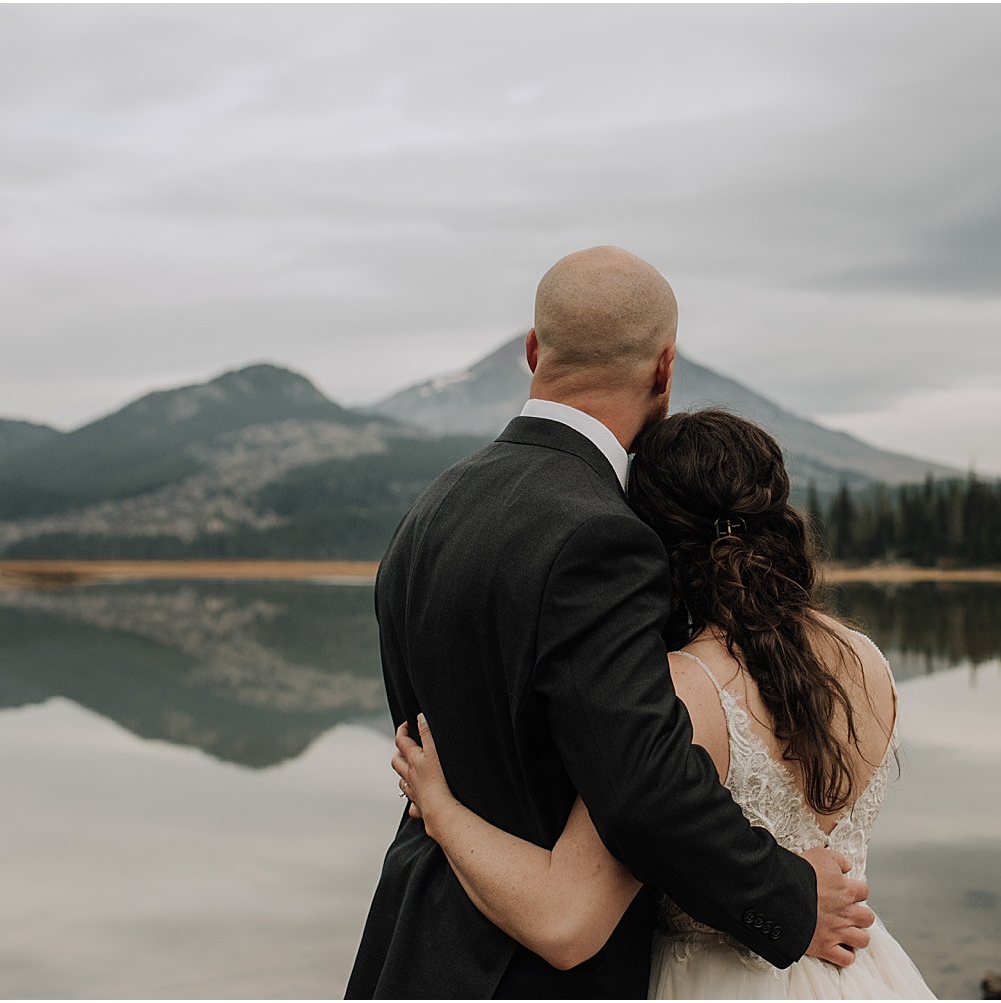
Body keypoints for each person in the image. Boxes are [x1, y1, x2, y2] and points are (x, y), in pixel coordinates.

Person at [344, 248, 874, 999]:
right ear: (665, 368)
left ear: (533, 351)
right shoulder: (603, 534)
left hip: (412, 945)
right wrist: (788, 898)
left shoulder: (427, 513)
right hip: (529, 972)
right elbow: (643, 784)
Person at [392, 408, 939, 999]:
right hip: (861, 974)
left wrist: (442, 811)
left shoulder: (679, 689)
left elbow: (565, 922)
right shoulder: (869, 661)